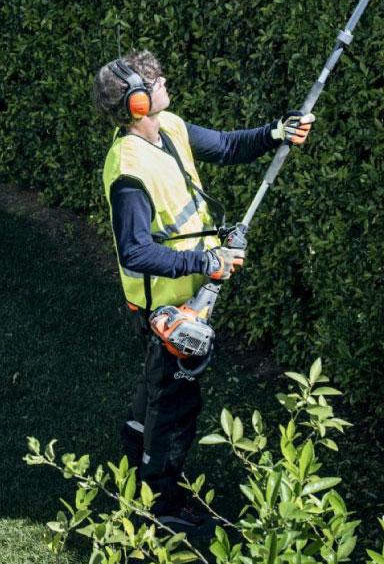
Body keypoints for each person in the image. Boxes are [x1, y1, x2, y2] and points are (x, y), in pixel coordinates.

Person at [92, 49, 314, 535]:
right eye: (155, 80)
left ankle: (135, 444)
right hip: (166, 309)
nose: (164, 81)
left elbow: (229, 147)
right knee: (176, 408)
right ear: (136, 103)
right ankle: (163, 504)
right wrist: (207, 260)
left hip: (189, 296)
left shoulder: (168, 126)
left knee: (159, 387)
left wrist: (277, 132)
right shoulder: (128, 168)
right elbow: (135, 253)